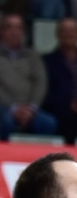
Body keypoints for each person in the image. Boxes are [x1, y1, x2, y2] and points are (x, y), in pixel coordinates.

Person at [0, 13, 56, 141]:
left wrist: (31, 108)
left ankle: (38, 160)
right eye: (10, 27)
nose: (15, 32)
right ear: (2, 31)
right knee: (4, 122)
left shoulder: (32, 55)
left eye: (18, 28)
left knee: (49, 123)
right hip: (4, 108)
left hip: (30, 109)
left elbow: (41, 82)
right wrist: (14, 109)